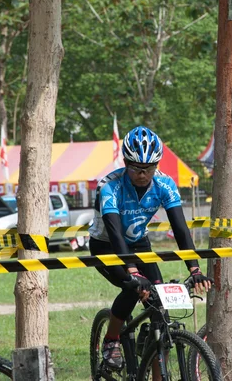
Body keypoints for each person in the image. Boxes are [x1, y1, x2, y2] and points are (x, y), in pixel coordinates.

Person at [88, 126, 213, 369]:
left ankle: (154, 360)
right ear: (125, 162)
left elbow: (180, 228)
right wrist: (133, 272)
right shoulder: (110, 186)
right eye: (135, 168)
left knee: (160, 309)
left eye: (149, 168)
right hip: (106, 245)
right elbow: (114, 233)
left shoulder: (165, 184)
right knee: (131, 286)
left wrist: (194, 268)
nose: (142, 174)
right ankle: (111, 340)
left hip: (139, 243)